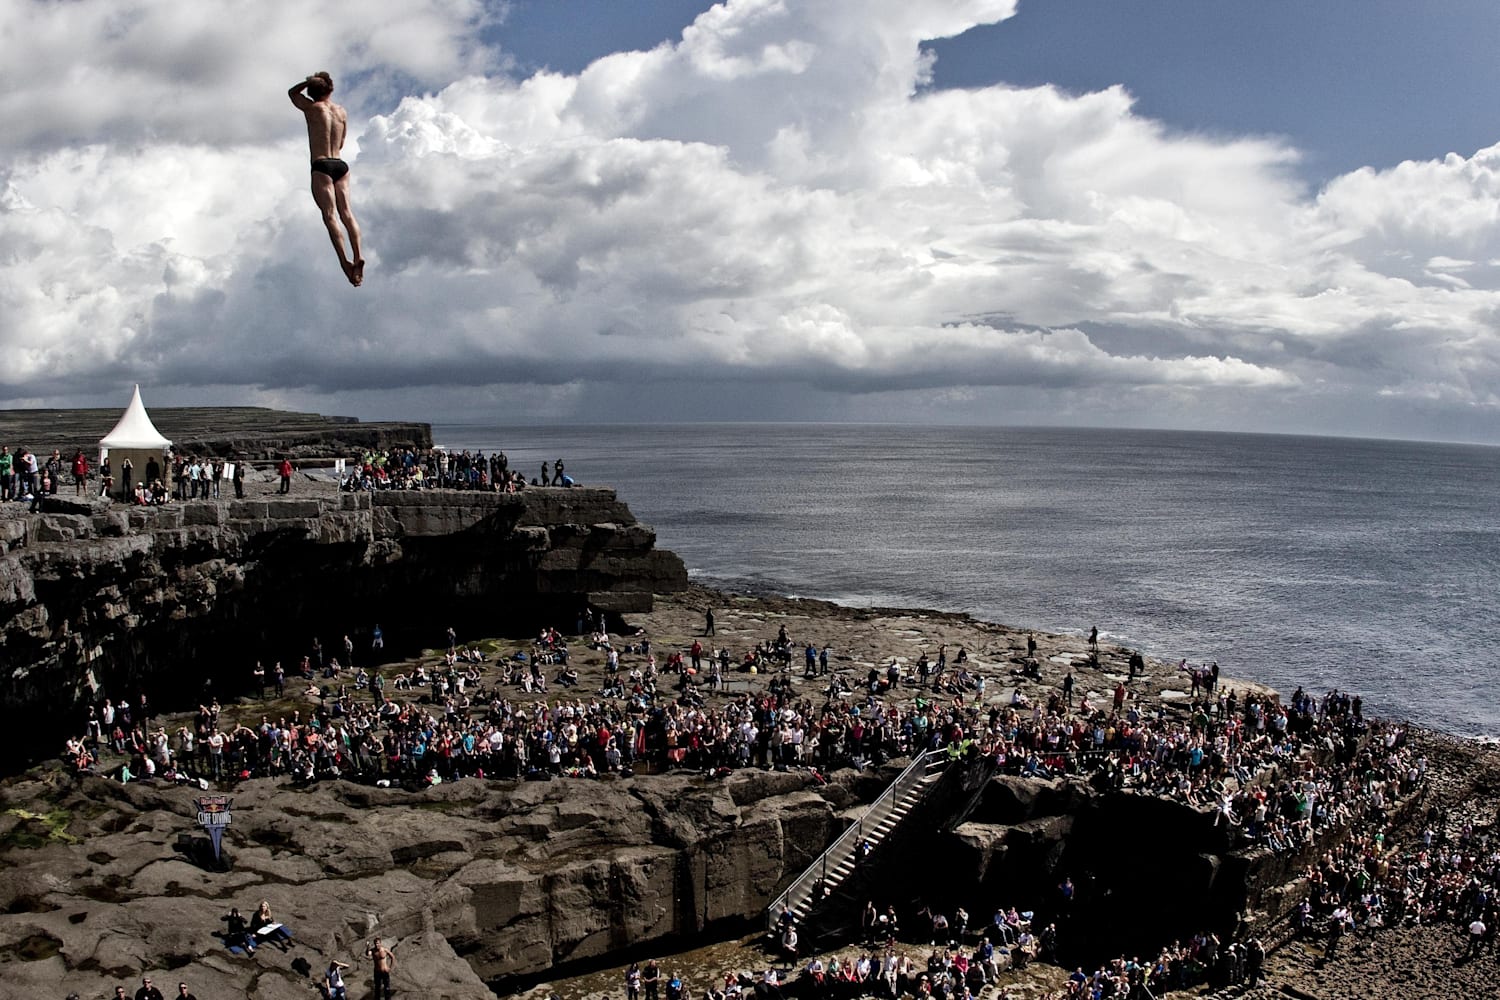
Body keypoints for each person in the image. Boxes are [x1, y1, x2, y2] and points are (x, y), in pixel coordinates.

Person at [288, 72, 365, 286]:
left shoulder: (311, 108)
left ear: (312, 92)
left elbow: (292, 93)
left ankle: (345, 262)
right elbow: (340, 143)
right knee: (347, 213)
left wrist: (307, 83)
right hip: (341, 165)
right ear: (331, 90)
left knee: (330, 216)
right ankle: (358, 254)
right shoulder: (341, 112)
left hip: (321, 165)